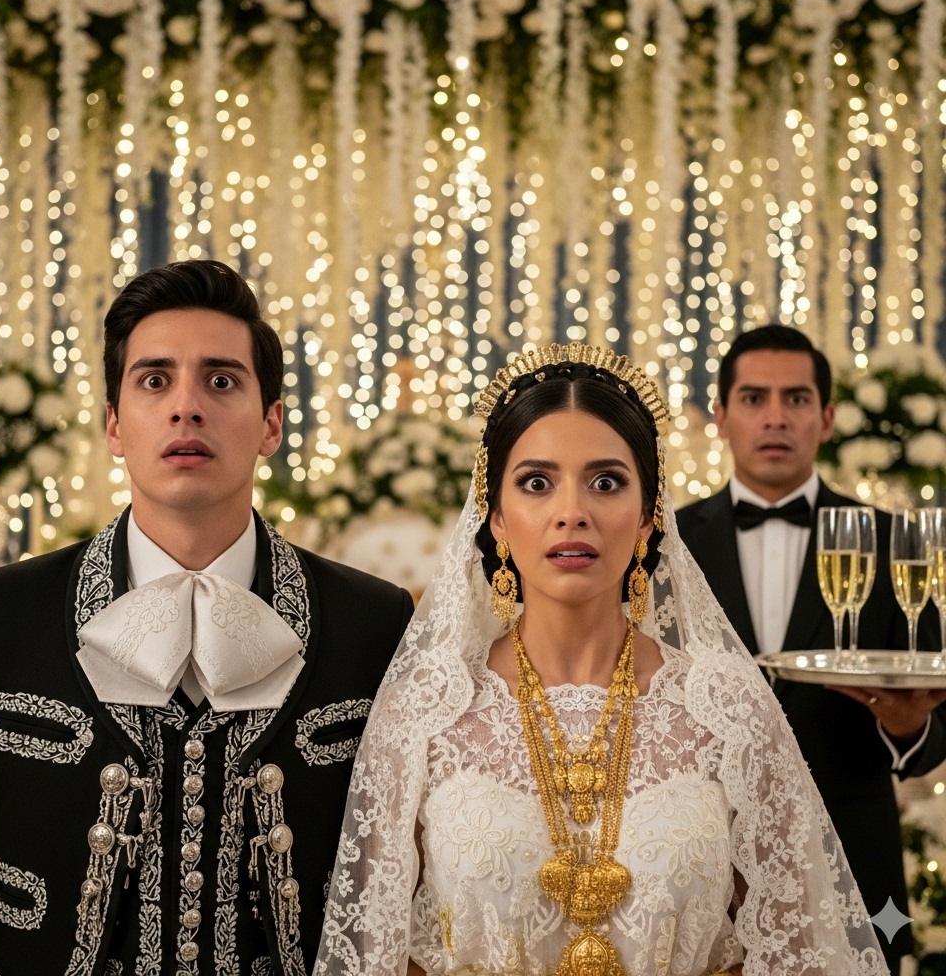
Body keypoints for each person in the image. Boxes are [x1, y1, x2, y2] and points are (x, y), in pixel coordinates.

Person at [314, 341, 890, 976]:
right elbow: (377, 951)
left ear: (647, 517)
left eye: (606, 482)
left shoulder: (724, 704)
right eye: (536, 483)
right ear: (496, 516)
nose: (572, 513)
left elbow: (798, 950)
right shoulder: (427, 710)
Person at [0, 259, 414, 975]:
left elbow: (396, 890)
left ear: (271, 424)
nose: (187, 406)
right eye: (155, 380)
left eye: (222, 381)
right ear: (114, 425)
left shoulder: (373, 622)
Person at [675, 323, 946, 975]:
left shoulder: (895, 544)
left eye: (796, 399)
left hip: (856, 858)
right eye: (754, 398)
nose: (775, 417)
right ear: (721, 416)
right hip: (701, 863)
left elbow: (935, 719)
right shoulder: (667, 547)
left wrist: (909, 730)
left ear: (826, 418)